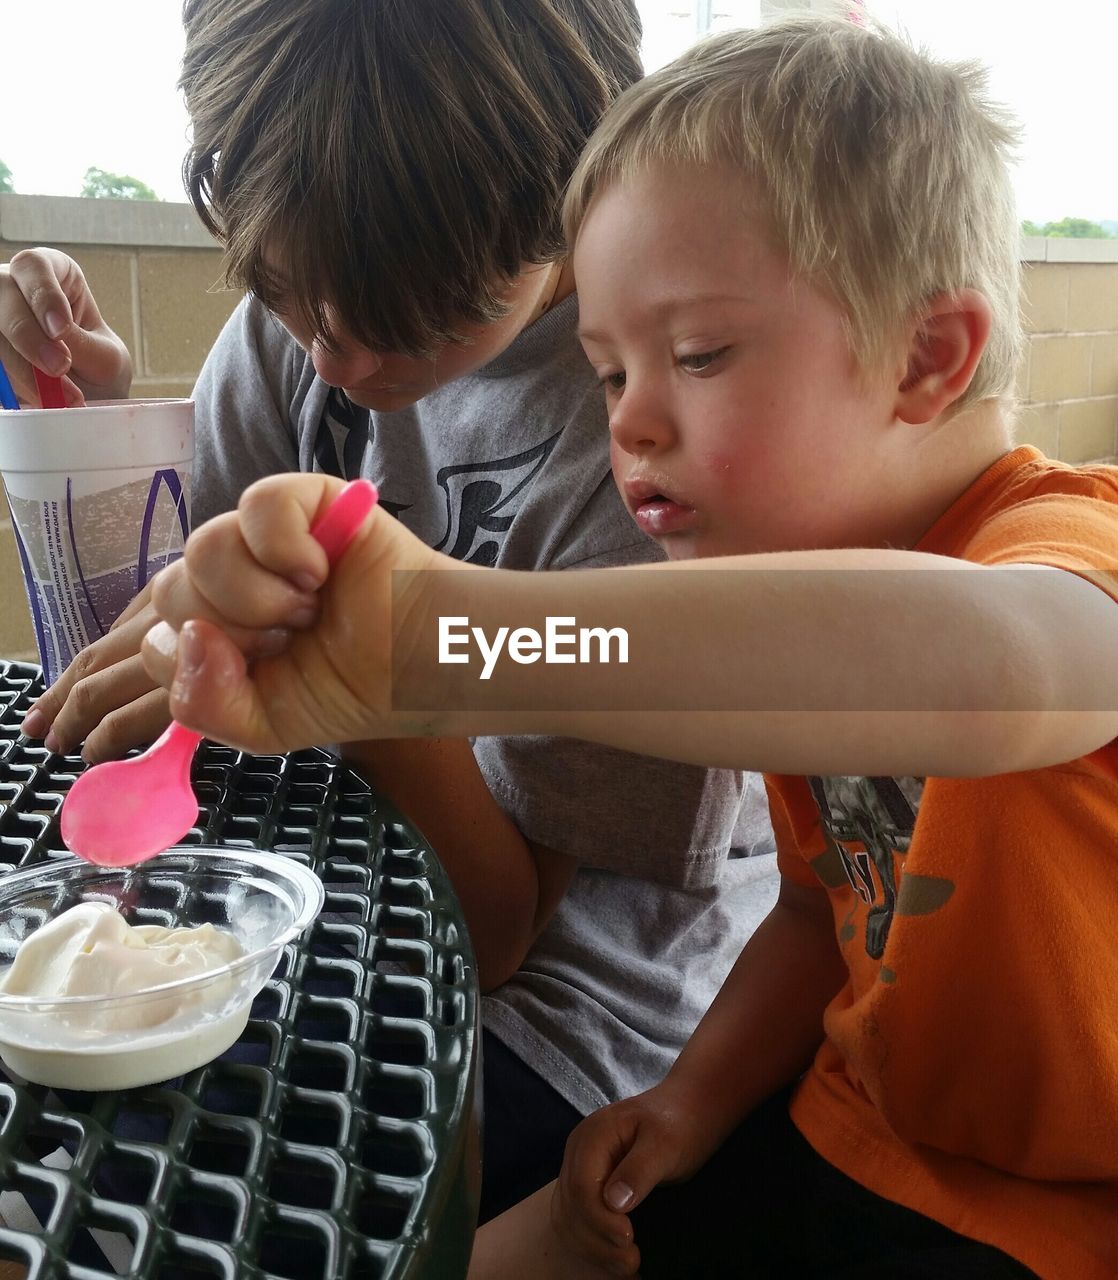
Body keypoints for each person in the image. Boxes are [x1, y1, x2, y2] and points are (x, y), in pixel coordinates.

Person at [140, 15, 1118, 1280]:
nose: (634, 423)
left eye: (697, 355)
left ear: (928, 356)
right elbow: (830, 904)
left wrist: (441, 645)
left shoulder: (1054, 539)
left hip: (1052, 1199)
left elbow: (1012, 672)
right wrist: (694, 1098)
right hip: (861, 1124)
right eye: (605, 375)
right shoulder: (781, 590)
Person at [0, 0, 778, 1223]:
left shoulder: (636, 452)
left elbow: (501, 929)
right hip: (340, 873)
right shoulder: (294, 333)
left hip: (575, 1002)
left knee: (213, 1191)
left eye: (414, 319)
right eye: (292, 296)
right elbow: (164, 641)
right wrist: (93, 418)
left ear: (569, 195)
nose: (340, 359)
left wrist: (374, 689)